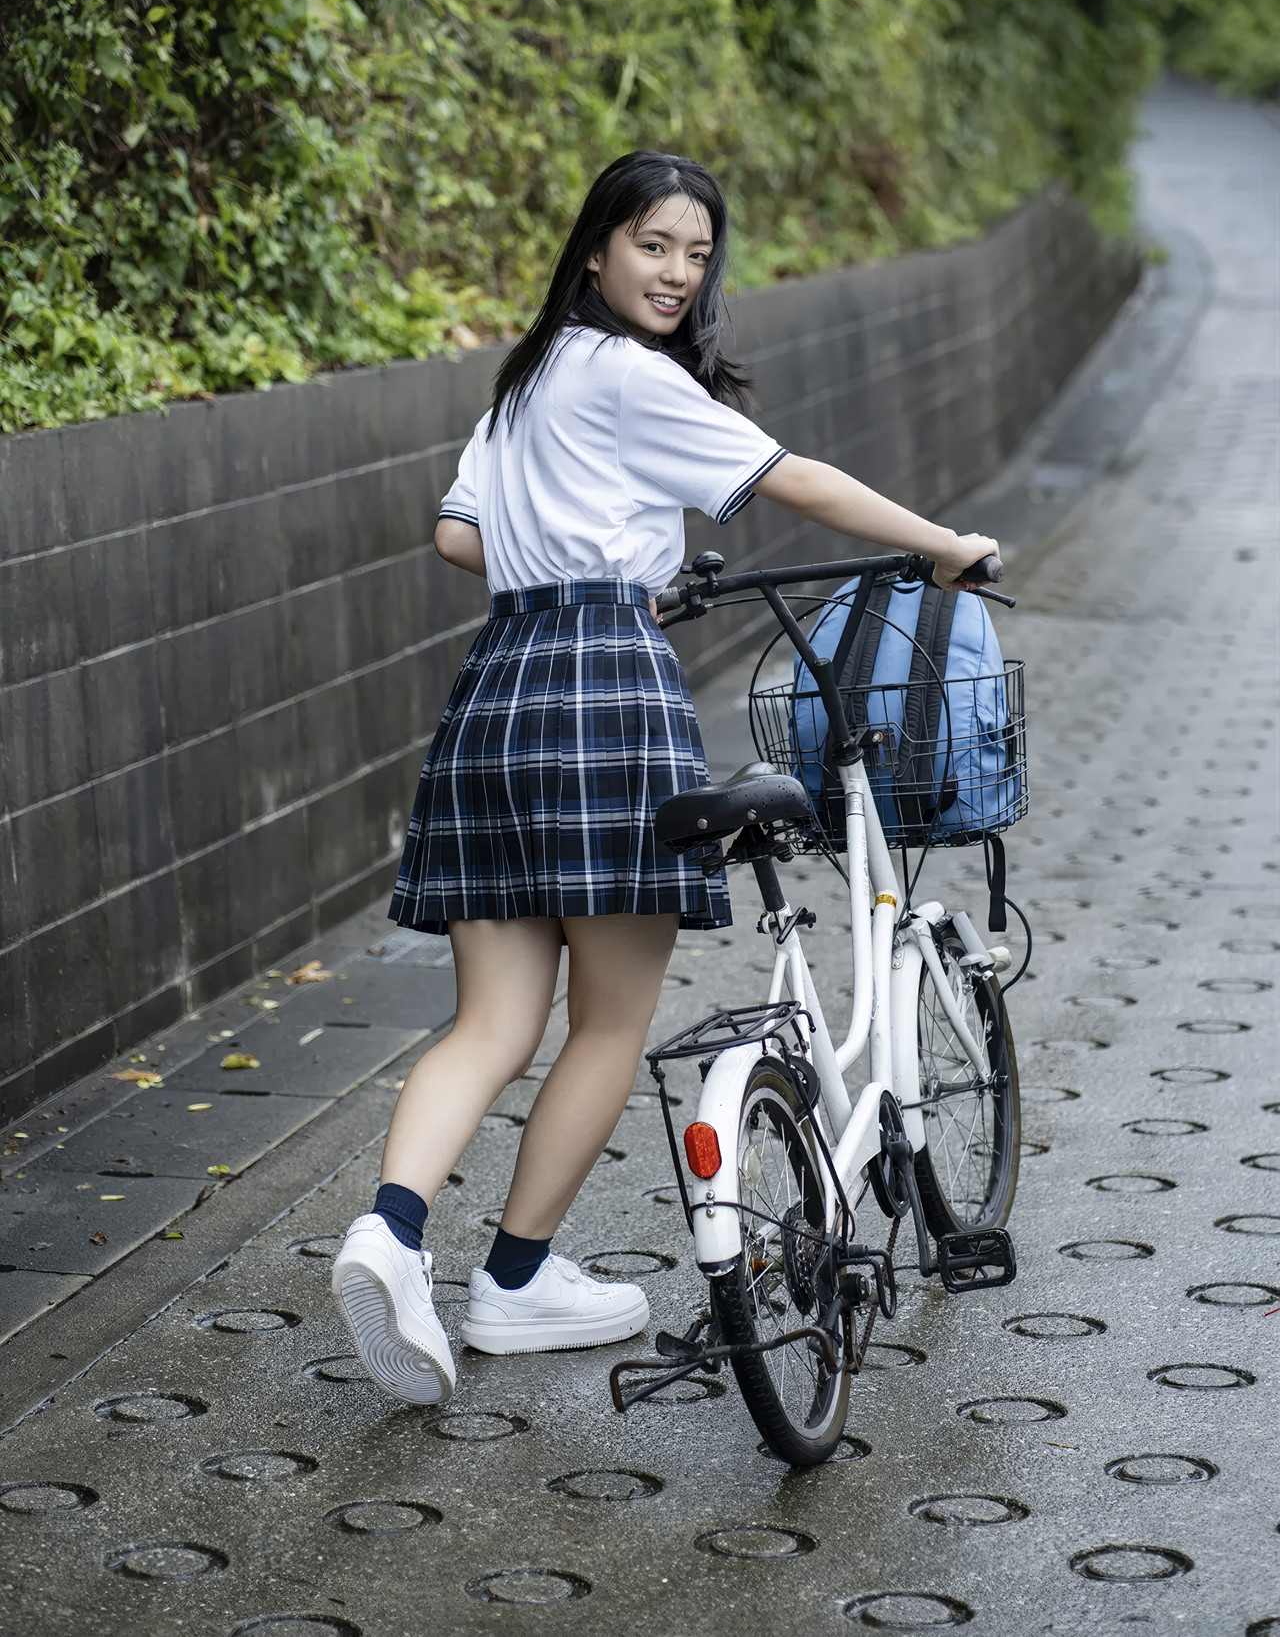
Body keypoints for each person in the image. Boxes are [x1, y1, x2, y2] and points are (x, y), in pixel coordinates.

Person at [330, 150, 997, 1403]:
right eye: (653, 245)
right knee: (607, 1019)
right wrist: (940, 543)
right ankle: (514, 1280)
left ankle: (391, 1232)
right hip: (604, 690)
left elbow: (458, 534)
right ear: (596, 249)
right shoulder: (632, 376)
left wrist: (582, 543)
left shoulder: (526, 378)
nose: (678, 273)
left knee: (489, 1025)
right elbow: (790, 478)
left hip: (498, 687)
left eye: (696, 253)